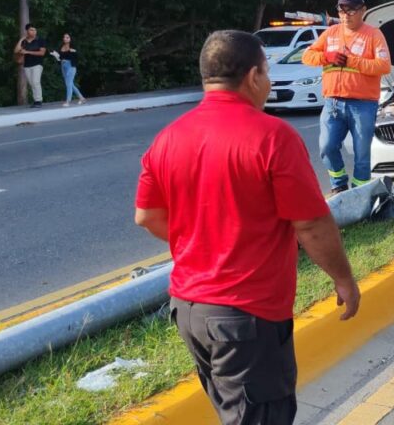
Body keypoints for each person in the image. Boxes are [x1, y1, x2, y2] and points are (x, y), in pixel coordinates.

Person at [134, 30, 360, 425]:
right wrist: (344, 279)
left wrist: (201, 245)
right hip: (246, 317)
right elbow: (309, 223)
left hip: (190, 311)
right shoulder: (272, 137)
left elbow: (147, 216)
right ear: (254, 77)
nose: (269, 83)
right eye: (267, 73)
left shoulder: (168, 138)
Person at [303, 0, 391, 194]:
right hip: (333, 102)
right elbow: (307, 56)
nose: (346, 15)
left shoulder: (373, 35)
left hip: (363, 105)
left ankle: (360, 193)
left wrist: (353, 61)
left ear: (363, 11)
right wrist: (327, 56)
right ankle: (339, 184)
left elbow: (383, 66)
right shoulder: (330, 33)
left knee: (361, 153)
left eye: (351, 11)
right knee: (327, 146)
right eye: (342, 10)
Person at [14, 24, 46, 108]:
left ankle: (39, 101)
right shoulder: (24, 42)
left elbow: (42, 53)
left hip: (37, 64)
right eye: (32, 30)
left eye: (35, 30)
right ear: (27, 31)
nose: (34, 32)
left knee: (36, 82)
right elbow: (16, 50)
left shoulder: (40, 40)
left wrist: (27, 52)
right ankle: (36, 101)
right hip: (27, 65)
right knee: (32, 83)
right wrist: (21, 39)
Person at [54, 33, 86, 106]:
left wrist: (74, 51)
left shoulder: (73, 47)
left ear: (70, 39)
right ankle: (82, 98)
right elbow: (60, 58)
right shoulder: (61, 47)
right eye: (64, 37)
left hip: (71, 66)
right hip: (63, 66)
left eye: (67, 37)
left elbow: (77, 57)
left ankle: (68, 101)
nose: (65, 38)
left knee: (68, 84)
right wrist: (56, 56)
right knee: (70, 84)